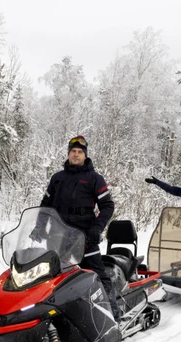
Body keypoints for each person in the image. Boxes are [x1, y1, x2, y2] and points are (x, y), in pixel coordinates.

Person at [39, 135, 120, 320]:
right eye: (73, 151)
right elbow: (45, 205)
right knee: (52, 279)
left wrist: (97, 228)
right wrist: (39, 227)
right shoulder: (57, 178)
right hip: (58, 239)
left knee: (98, 276)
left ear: (85, 155)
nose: (76, 155)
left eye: (79, 152)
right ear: (68, 154)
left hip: (85, 238)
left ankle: (113, 317)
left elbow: (108, 206)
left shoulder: (94, 178)